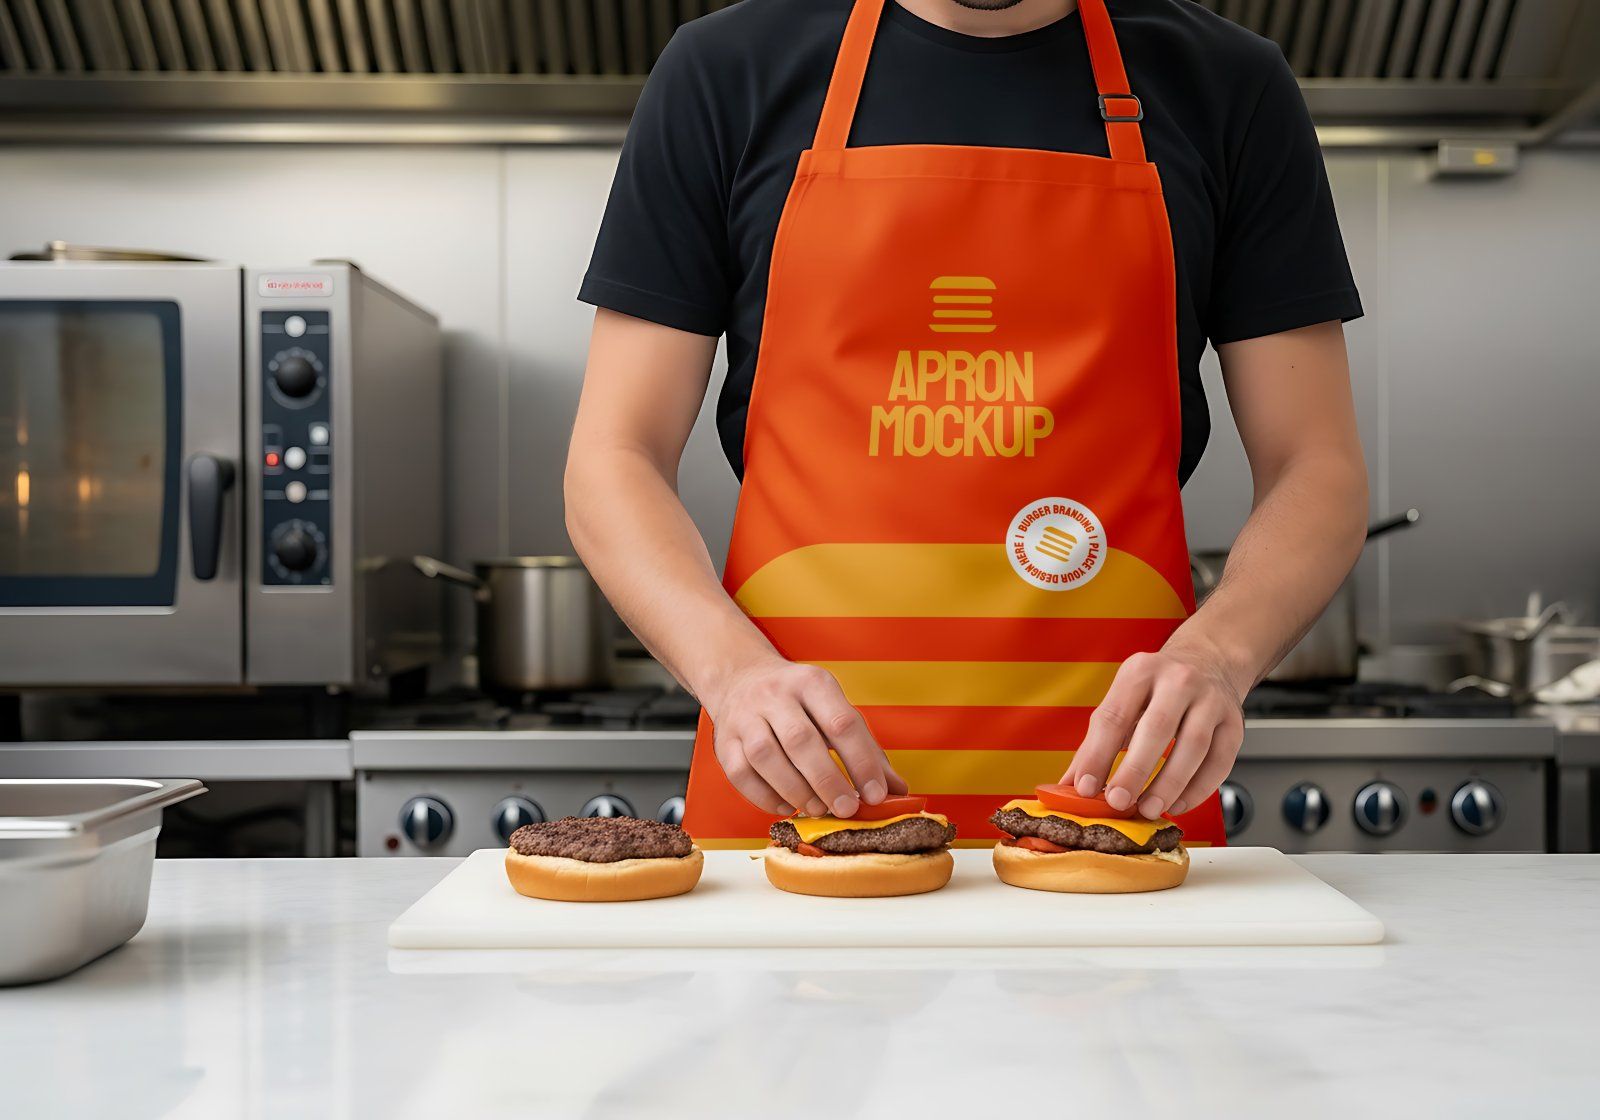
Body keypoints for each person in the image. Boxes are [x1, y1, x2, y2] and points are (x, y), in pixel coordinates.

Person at [566, 0, 1368, 847]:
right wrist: (730, 676)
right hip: (799, 818)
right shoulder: (725, 71)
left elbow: (1316, 466)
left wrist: (1220, 656)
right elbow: (613, 457)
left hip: (1118, 817)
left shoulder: (1228, 85)